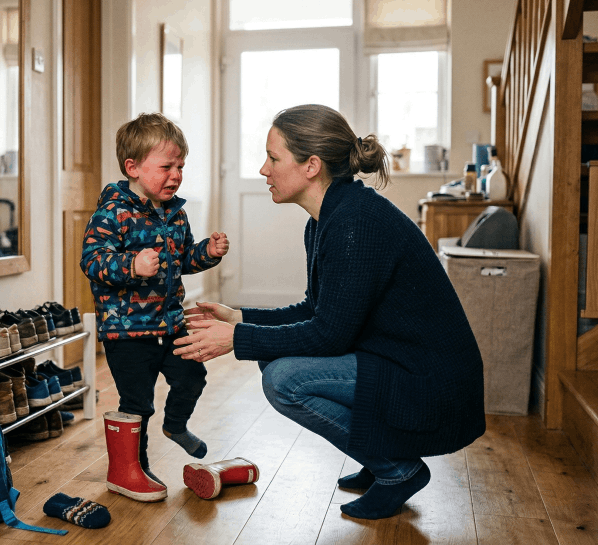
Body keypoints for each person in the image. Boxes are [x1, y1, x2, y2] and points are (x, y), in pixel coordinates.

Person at [172, 104, 485, 519]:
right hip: (401, 363)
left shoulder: (354, 222)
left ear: (311, 166)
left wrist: (236, 340)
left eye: (274, 158)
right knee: (272, 354)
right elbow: (317, 310)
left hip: (431, 382)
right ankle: (380, 458)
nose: (264, 169)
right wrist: (240, 318)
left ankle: (396, 470)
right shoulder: (328, 218)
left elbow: (329, 335)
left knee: (283, 380)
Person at [81, 112, 230, 501]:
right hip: (127, 331)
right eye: (166, 166)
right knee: (137, 404)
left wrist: (207, 253)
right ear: (132, 167)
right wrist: (133, 265)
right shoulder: (112, 213)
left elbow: (183, 260)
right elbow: (93, 262)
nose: (176, 175)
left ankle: (176, 425)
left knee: (192, 375)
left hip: (170, 323)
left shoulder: (174, 213)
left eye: (180, 166)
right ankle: (134, 469)